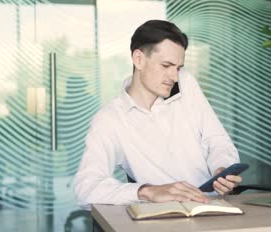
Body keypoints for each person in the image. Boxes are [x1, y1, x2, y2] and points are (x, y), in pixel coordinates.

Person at [74, 20, 242, 209]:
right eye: (166, 65)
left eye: (178, 68)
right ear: (138, 59)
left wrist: (221, 169)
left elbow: (217, 141)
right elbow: (86, 188)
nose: (174, 76)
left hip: (215, 206)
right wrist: (147, 191)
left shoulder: (185, 83)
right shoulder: (110, 120)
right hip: (166, 217)